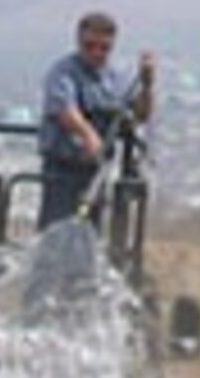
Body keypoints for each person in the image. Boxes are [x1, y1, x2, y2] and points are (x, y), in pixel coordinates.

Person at [38, 12, 156, 230]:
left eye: (103, 48)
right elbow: (64, 109)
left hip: (96, 171)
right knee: (57, 230)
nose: (96, 53)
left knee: (88, 232)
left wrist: (147, 85)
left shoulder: (116, 77)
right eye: (89, 46)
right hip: (63, 170)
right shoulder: (64, 72)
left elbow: (140, 115)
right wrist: (87, 134)